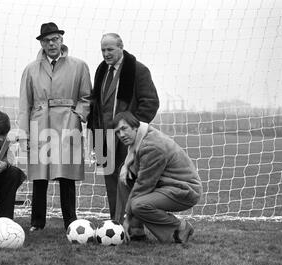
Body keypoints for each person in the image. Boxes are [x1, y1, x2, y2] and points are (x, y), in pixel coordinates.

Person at [18, 22, 92, 231]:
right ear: (41, 43)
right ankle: (37, 222)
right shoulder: (31, 69)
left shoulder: (79, 66)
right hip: (39, 124)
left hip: (68, 123)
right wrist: (24, 133)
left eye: (55, 39)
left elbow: (86, 97)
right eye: (47, 40)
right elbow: (25, 103)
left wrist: (77, 115)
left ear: (61, 40)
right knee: (40, 175)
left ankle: (71, 220)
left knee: (66, 174)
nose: (51, 44)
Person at [87, 33, 159, 220]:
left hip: (126, 138)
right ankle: (116, 223)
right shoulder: (101, 70)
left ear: (121, 47)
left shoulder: (138, 70)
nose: (106, 54)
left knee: (128, 181)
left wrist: (132, 130)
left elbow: (151, 103)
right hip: (103, 137)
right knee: (111, 184)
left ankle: (134, 225)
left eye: (110, 49)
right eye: (103, 50)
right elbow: (97, 104)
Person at [112, 111, 202, 243]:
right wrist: (125, 167)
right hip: (166, 185)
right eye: (117, 132)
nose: (121, 135)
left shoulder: (151, 146)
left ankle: (180, 227)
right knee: (126, 177)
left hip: (184, 189)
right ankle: (136, 230)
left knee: (139, 205)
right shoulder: (142, 136)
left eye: (124, 129)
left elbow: (144, 185)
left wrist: (127, 218)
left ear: (135, 126)